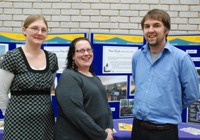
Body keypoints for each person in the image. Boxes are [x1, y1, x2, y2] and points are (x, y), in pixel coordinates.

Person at [131, 9, 200, 140]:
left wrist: (170, 106)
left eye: (156, 25)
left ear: (166, 30)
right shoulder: (137, 57)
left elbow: (192, 94)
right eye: (146, 26)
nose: (150, 30)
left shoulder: (181, 58)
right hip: (138, 129)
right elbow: (138, 83)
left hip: (165, 132)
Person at [0, 14, 58, 139]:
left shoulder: (52, 58)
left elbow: (48, 89)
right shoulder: (12, 57)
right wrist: (9, 115)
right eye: (35, 28)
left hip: (45, 123)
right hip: (17, 124)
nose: (39, 33)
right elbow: (1, 92)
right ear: (24, 30)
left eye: (43, 30)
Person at [55, 37, 114, 140]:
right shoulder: (69, 76)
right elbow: (76, 113)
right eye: (81, 51)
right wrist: (102, 135)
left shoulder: (95, 78)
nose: (86, 53)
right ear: (73, 55)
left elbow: (105, 106)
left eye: (89, 50)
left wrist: (109, 127)